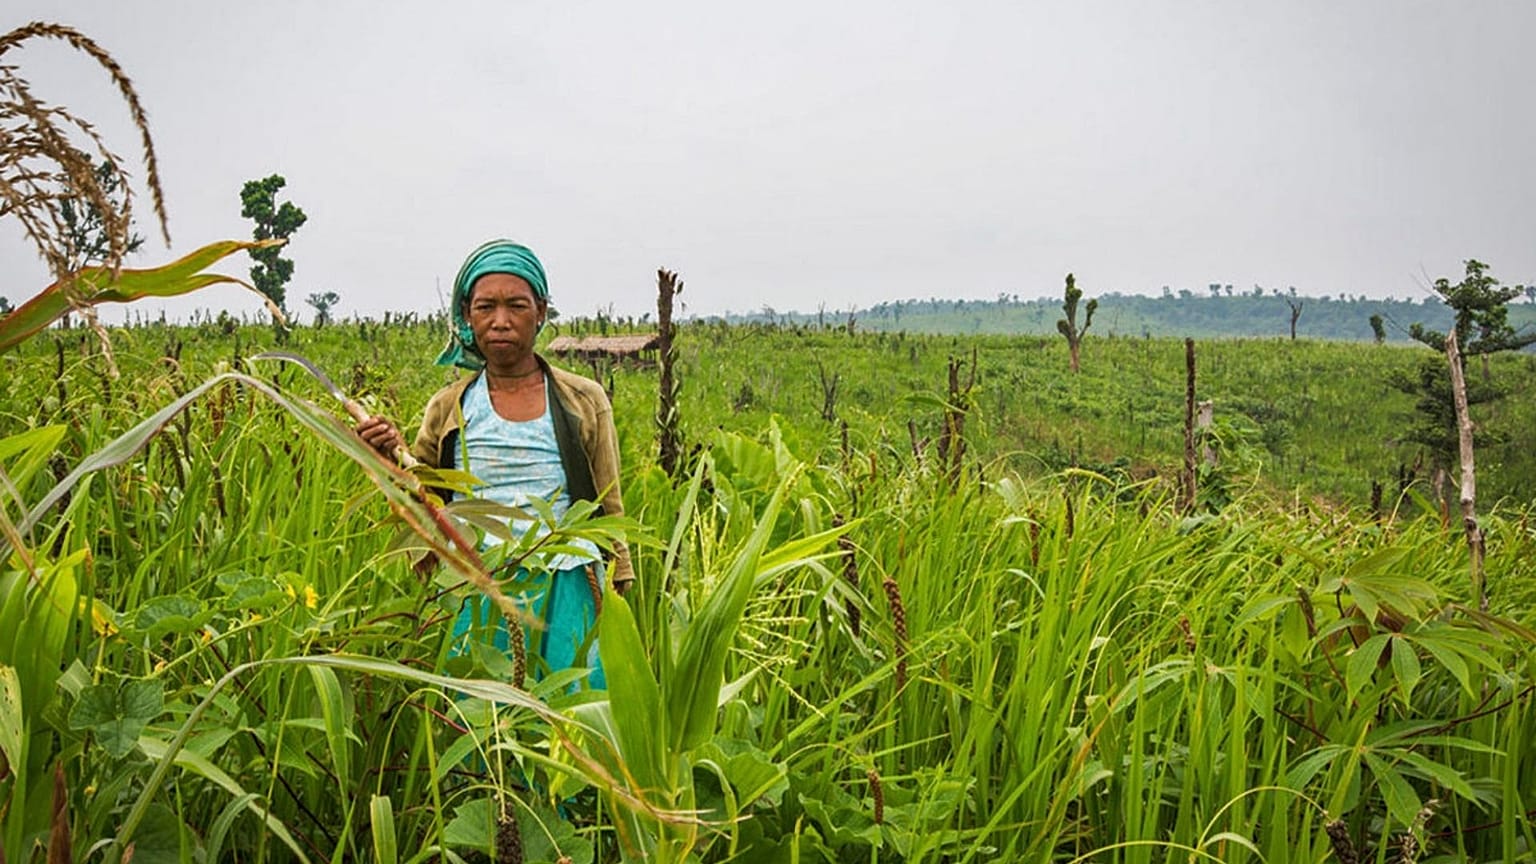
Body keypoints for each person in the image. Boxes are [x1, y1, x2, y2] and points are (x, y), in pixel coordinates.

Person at [358, 240, 632, 689]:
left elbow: (608, 499)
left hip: (569, 581)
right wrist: (383, 455)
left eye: (516, 305)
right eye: (486, 306)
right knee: (483, 719)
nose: (500, 321)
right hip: (478, 580)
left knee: (571, 710)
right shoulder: (450, 406)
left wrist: (619, 576)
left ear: (541, 311)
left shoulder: (583, 399)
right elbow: (421, 498)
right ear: (467, 315)